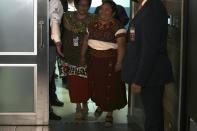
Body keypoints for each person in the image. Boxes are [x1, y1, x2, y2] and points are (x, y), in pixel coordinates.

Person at [122, 0, 174, 130]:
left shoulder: (153, 8)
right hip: (147, 72)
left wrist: (139, 80)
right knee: (151, 115)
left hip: (151, 74)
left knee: (153, 117)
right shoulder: (145, 6)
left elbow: (150, 49)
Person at [81, 1, 127, 127]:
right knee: (97, 85)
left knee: (109, 88)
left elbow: (121, 47)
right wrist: (82, 56)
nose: (103, 12)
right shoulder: (91, 25)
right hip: (93, 60)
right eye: (101, 9)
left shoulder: (118, 26)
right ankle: (101, 105)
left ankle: (109, 114)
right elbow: (85, 41)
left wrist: (119, 62)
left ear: (113, 12)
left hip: (110, 63)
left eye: (107, 10)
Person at [61, 0, 95, 120]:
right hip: (70, 54)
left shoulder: (94, 17)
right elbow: (70, 27)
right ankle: (78, 106)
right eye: (81, 4)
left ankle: (85, 101)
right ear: (76, 5)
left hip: (88, 54)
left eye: (87, 5)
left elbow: (90, 32)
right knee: (74, 82)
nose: (84, 7)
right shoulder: (67, 16)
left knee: (86, 82)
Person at [49, 0, 65, 120]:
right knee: (45, 77)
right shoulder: (55, 1)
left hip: (48, 44)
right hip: (48, 44)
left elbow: (54, 19)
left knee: (48, 76)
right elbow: (54, 20)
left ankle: (49, 102)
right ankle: (46, 109)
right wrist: (57, 41)